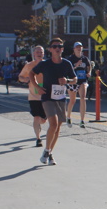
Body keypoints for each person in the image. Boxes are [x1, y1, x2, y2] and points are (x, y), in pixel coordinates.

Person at [32, 38, 76, 166]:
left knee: (57, 128)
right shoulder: (45, 64)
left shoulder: (66, 63)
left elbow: (75, 79)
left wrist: (67, 81)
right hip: (47, 97)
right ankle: (47, 150)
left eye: (60, 46)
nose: (58, 48)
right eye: (55, 46)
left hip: (61, 98)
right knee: (53, 123)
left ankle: (49, 153)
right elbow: (31, 74)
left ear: (62, 49)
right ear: (50, 49)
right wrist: (37, 87)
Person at [18, 46, 47, 147]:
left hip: (45, 95)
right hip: (33, 96)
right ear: (34, 54)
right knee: (36, 117)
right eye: (37, 52)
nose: (39, 54)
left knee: (43, 120)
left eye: (41, 52)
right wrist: (25, 79)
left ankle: (40, 123)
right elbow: (20, 77)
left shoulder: (47, 65)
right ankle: (38, 139)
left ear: (43, 54)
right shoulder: (29, 65)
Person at [66, 42, 93, 127]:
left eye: (80, 47)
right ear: (74, 49)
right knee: (72, 100)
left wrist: (89, 72)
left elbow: (89, 67)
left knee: (83, 98)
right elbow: (67, 70)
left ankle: (82, 120)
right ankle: (68, 117)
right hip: (73, 81)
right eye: (77, 47)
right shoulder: (70, 59)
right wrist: (76, 65)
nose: (79, 48)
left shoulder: (85, 59)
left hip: (82, 80)